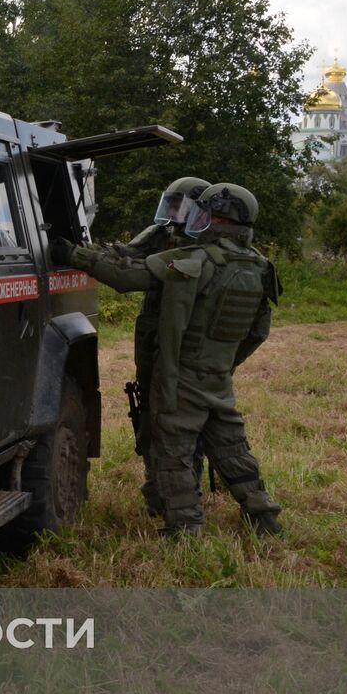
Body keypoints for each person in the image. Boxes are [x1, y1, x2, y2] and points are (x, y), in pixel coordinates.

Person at [51, 183, 282, 537]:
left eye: (207, 213)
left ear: (220, 219)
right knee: (230, 445)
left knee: (171, 450)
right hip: (218, 375)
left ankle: (185, 526)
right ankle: (264, 517)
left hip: (182, 375)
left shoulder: (195, 260)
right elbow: (257, 332)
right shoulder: (260, 267)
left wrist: (70, 253)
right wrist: (223, 364)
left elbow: (126, 276)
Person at [115, 178, 210, 517]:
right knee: (149, 414)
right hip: (153, 335)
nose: (172, 212)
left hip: (186, 339)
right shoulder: (159, 234)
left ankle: (184, 491)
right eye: (169, 204)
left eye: (178, 205)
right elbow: (124, 255)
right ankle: (157, 490)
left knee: (183, 420)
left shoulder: (209, 245)